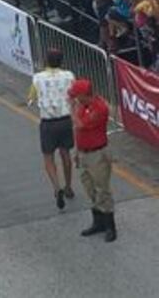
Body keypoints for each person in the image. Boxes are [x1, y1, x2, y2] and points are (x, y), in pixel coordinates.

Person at [27, 48, 76, 210]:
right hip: (65, 120)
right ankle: (68, 186)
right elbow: (74, 94)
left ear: (46, 61)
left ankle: (57, 187)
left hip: (48, 123)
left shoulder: (38, 78)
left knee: (48, 157)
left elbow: (31, 98)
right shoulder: (69, 76)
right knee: (65, 153)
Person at [70, 79, 116, 242]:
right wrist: (77, 151)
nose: (74, 98)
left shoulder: (100, 108)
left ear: (84, 94)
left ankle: (110, 225)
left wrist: (72, 110)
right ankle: (98, 222)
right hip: (84, 153)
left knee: (102, 189)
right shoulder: (83, 106)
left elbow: (81, 125)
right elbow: (79, 132)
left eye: (76, 95)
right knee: (89, 188)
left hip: (97, 154)